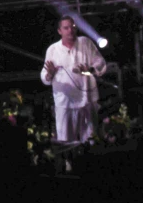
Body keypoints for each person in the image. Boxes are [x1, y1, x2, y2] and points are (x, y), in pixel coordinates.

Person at [41, 15, 107, 143]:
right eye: (66, 28)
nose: (70, 30)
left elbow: (100, 62)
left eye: (72, 27)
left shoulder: (85, 43)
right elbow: (44, 76)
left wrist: (91, 69)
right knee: (65, 143)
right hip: (64, 104)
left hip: (87, 101)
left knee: (91, 141)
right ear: (60, 31)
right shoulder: (53, 49)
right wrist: (50, 74)